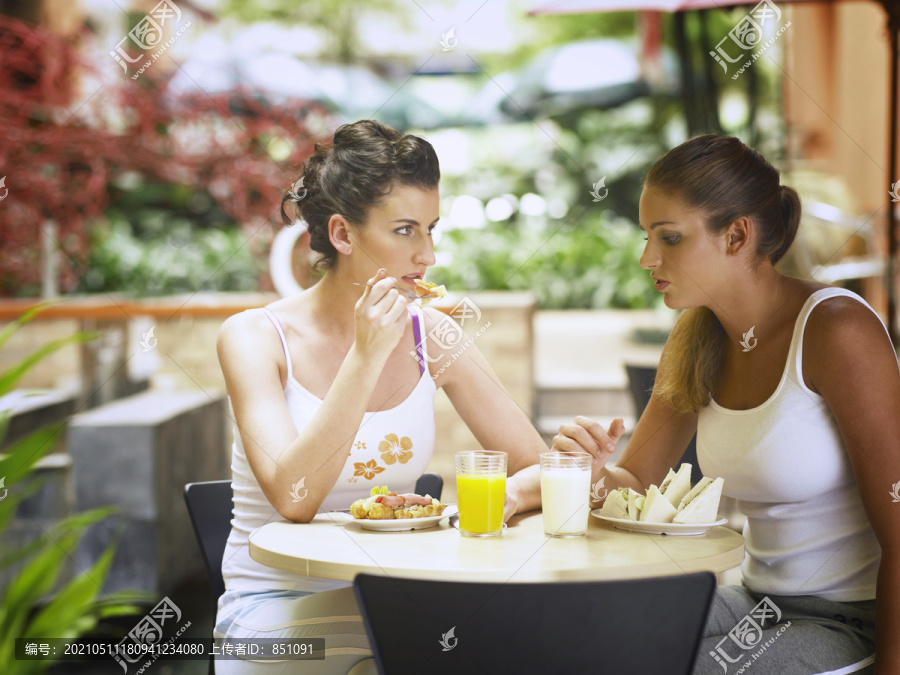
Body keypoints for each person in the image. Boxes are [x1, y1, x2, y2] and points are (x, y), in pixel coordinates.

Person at [553, 135, 900, 675]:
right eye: (648, 236)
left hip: (848, 619)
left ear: (737, 235)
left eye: (669, 237)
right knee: (587, 636)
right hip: (756, 603)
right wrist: (592, 471)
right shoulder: (697, 338)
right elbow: (633, 485)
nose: (648, 258)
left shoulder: (837, 331)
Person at [212, 120, 544, 675]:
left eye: (432, 229)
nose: (429, 255)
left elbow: (539, 465)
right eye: (406, 230)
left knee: (515, 641)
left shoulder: (432, 336)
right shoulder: (254, 338)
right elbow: (296, 498)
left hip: (394, 595)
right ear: (343, 235)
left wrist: (503, 497)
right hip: (274, 609)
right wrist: (365, 357)